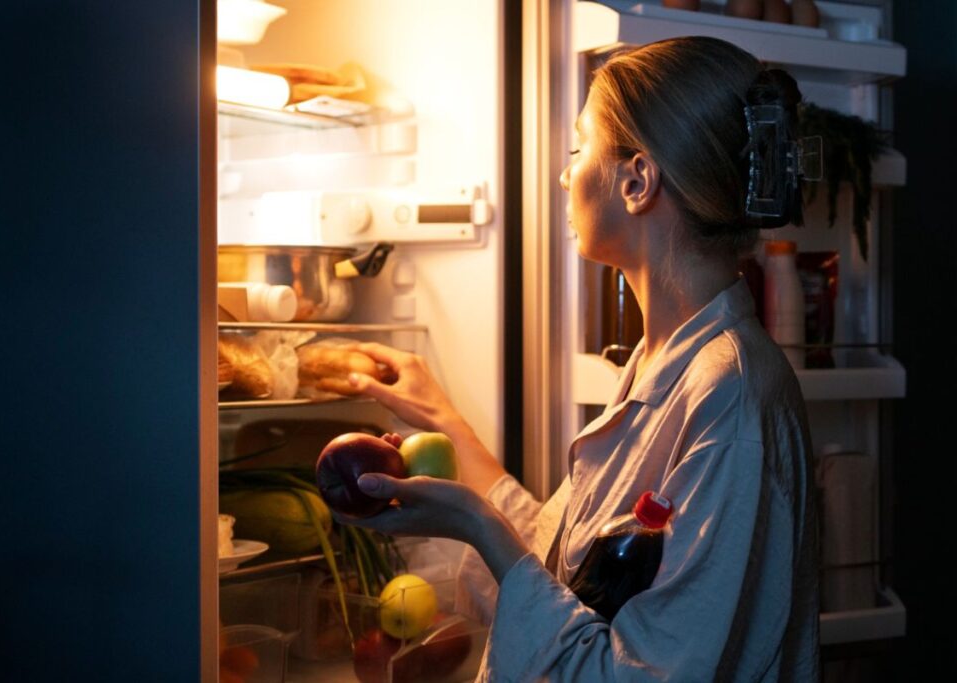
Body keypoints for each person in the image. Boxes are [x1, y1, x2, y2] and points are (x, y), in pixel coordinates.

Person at [338, 36, 819, 681]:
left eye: (578, 147)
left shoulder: (728, 396)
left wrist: (478, 524)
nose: (566, 174)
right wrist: (447, 425)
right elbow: (570, 576)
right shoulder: (664, 359)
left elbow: (635, 673)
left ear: (637, 180)